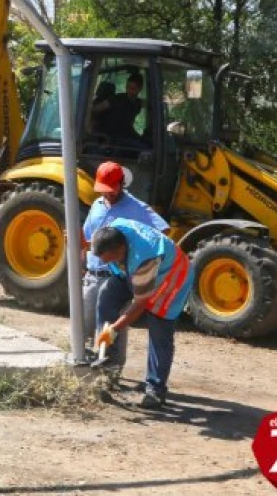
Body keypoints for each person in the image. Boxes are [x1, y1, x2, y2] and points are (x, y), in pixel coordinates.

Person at [90, 218, 195, 409]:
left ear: (120, 250)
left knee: (159, 327)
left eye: (108, 259)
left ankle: (155, 390)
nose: (104, 263)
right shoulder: (112, 232)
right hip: (134, 272)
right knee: (107, 294)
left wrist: (114, 329)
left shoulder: (144, 257)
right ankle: (107, 364)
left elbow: (139, 304)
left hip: (170, 278)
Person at [81, 161, 169, 369]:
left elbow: (162, 232)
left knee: (112, 325)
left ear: (122, 184)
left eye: (112, 190)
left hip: (115, 276)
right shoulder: (96, 206)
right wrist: (82, 266)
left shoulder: (137, 208)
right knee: (86, 325)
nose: (108, 194)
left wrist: (135, 256)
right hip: (92, 275)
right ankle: (87, 364)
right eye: (104, 190)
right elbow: (86, 239)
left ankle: (111, 369)